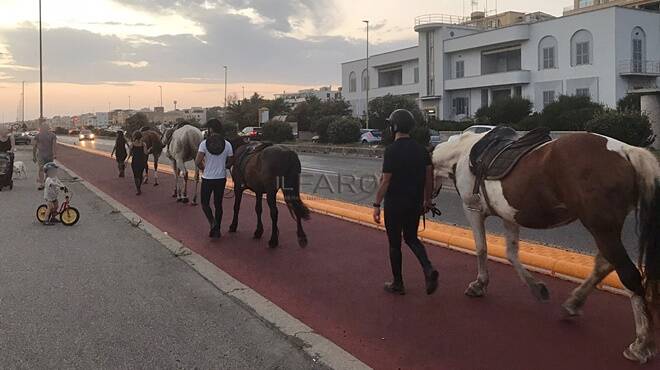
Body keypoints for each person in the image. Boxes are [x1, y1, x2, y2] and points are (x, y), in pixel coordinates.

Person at [373, 109, 439, 296]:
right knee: (411, 238)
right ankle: (427, 268)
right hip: (414, 203)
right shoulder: (422, 150)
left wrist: (377, 204)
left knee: (395, 244)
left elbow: (386, 180)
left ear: (394, 127)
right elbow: (429, 179)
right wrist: (427, 200)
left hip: (395, 204)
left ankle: (398, 283)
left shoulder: (391, 150)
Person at [195, 118, 233, 239]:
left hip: (207, 178)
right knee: (218, 204)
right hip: (221, 178)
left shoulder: (204, 144)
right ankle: (217, 229)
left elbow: (197, 161)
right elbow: (231, 160)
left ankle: (212, 223)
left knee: (205, 203)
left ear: (210, 129)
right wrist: (224, 166)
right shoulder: (227, 144)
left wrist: (203, 168)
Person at [32, 124, 57, 190]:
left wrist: (54, 154)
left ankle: (45, 182)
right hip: (41, 154)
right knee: (42, 168)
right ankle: (42, 183)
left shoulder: (52, 135)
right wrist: (34, 156)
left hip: (48, 154)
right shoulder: (38, 136)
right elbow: (34, 146)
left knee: (46, 169)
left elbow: (54, 145)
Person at [127, 131, 147, 195]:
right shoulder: (143, 144)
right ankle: (139, 186)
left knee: (135, 176)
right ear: (141, 137)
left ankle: (138, 188)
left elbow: (129, 154)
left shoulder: (132, 144)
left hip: (134, 161)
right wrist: (149, 150)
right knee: (140, 175)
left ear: (134, 136)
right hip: (141, 161)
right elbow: (145, 153)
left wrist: (126, 160)